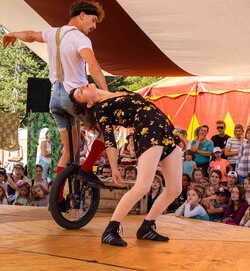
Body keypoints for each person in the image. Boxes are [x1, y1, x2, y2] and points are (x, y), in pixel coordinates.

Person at [2, 0, 108, 186]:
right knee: (105, 131)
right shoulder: (81, 39)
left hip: (55, 99)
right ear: (82, 15)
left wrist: (13, 34)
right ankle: (87, 169)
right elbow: (93, 65)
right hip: (74, 97)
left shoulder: (52, 33)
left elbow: (30, 35)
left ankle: (57, 199)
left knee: (68, 151)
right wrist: (105, 95)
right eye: (93, 21)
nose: (94, 26)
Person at [70, 84, 183, 247]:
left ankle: (147, 227)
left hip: (166, 132)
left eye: (80, 87)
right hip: (148, 133)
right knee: (143, 186)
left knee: (175, 189)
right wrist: (114, 167)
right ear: (88, 103)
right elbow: (109, 139)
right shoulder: (101, 109)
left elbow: (150, 107)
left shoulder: (119, 92)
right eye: (80, 93)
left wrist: (176, 133)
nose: (83, 86)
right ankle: (110, 230)